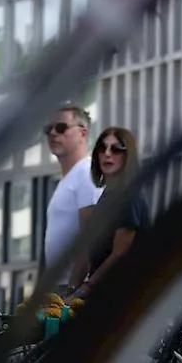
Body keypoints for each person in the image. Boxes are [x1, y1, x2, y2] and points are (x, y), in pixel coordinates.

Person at [74, 127, 149, 298]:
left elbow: (119, 253)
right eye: (102, 148)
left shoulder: (129, 195)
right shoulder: (108, 194)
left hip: (125, 294)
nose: (107, 154)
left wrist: (86, 288)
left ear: (127, 156)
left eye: (116, 149)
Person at [43, 105, 104, 294]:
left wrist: (73, 288)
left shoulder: (86, 173)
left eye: (61, 128)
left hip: (75, 288)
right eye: (48, 129)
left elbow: (90, 237)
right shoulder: (68, 179)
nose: (53, 133)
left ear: (82, 133)